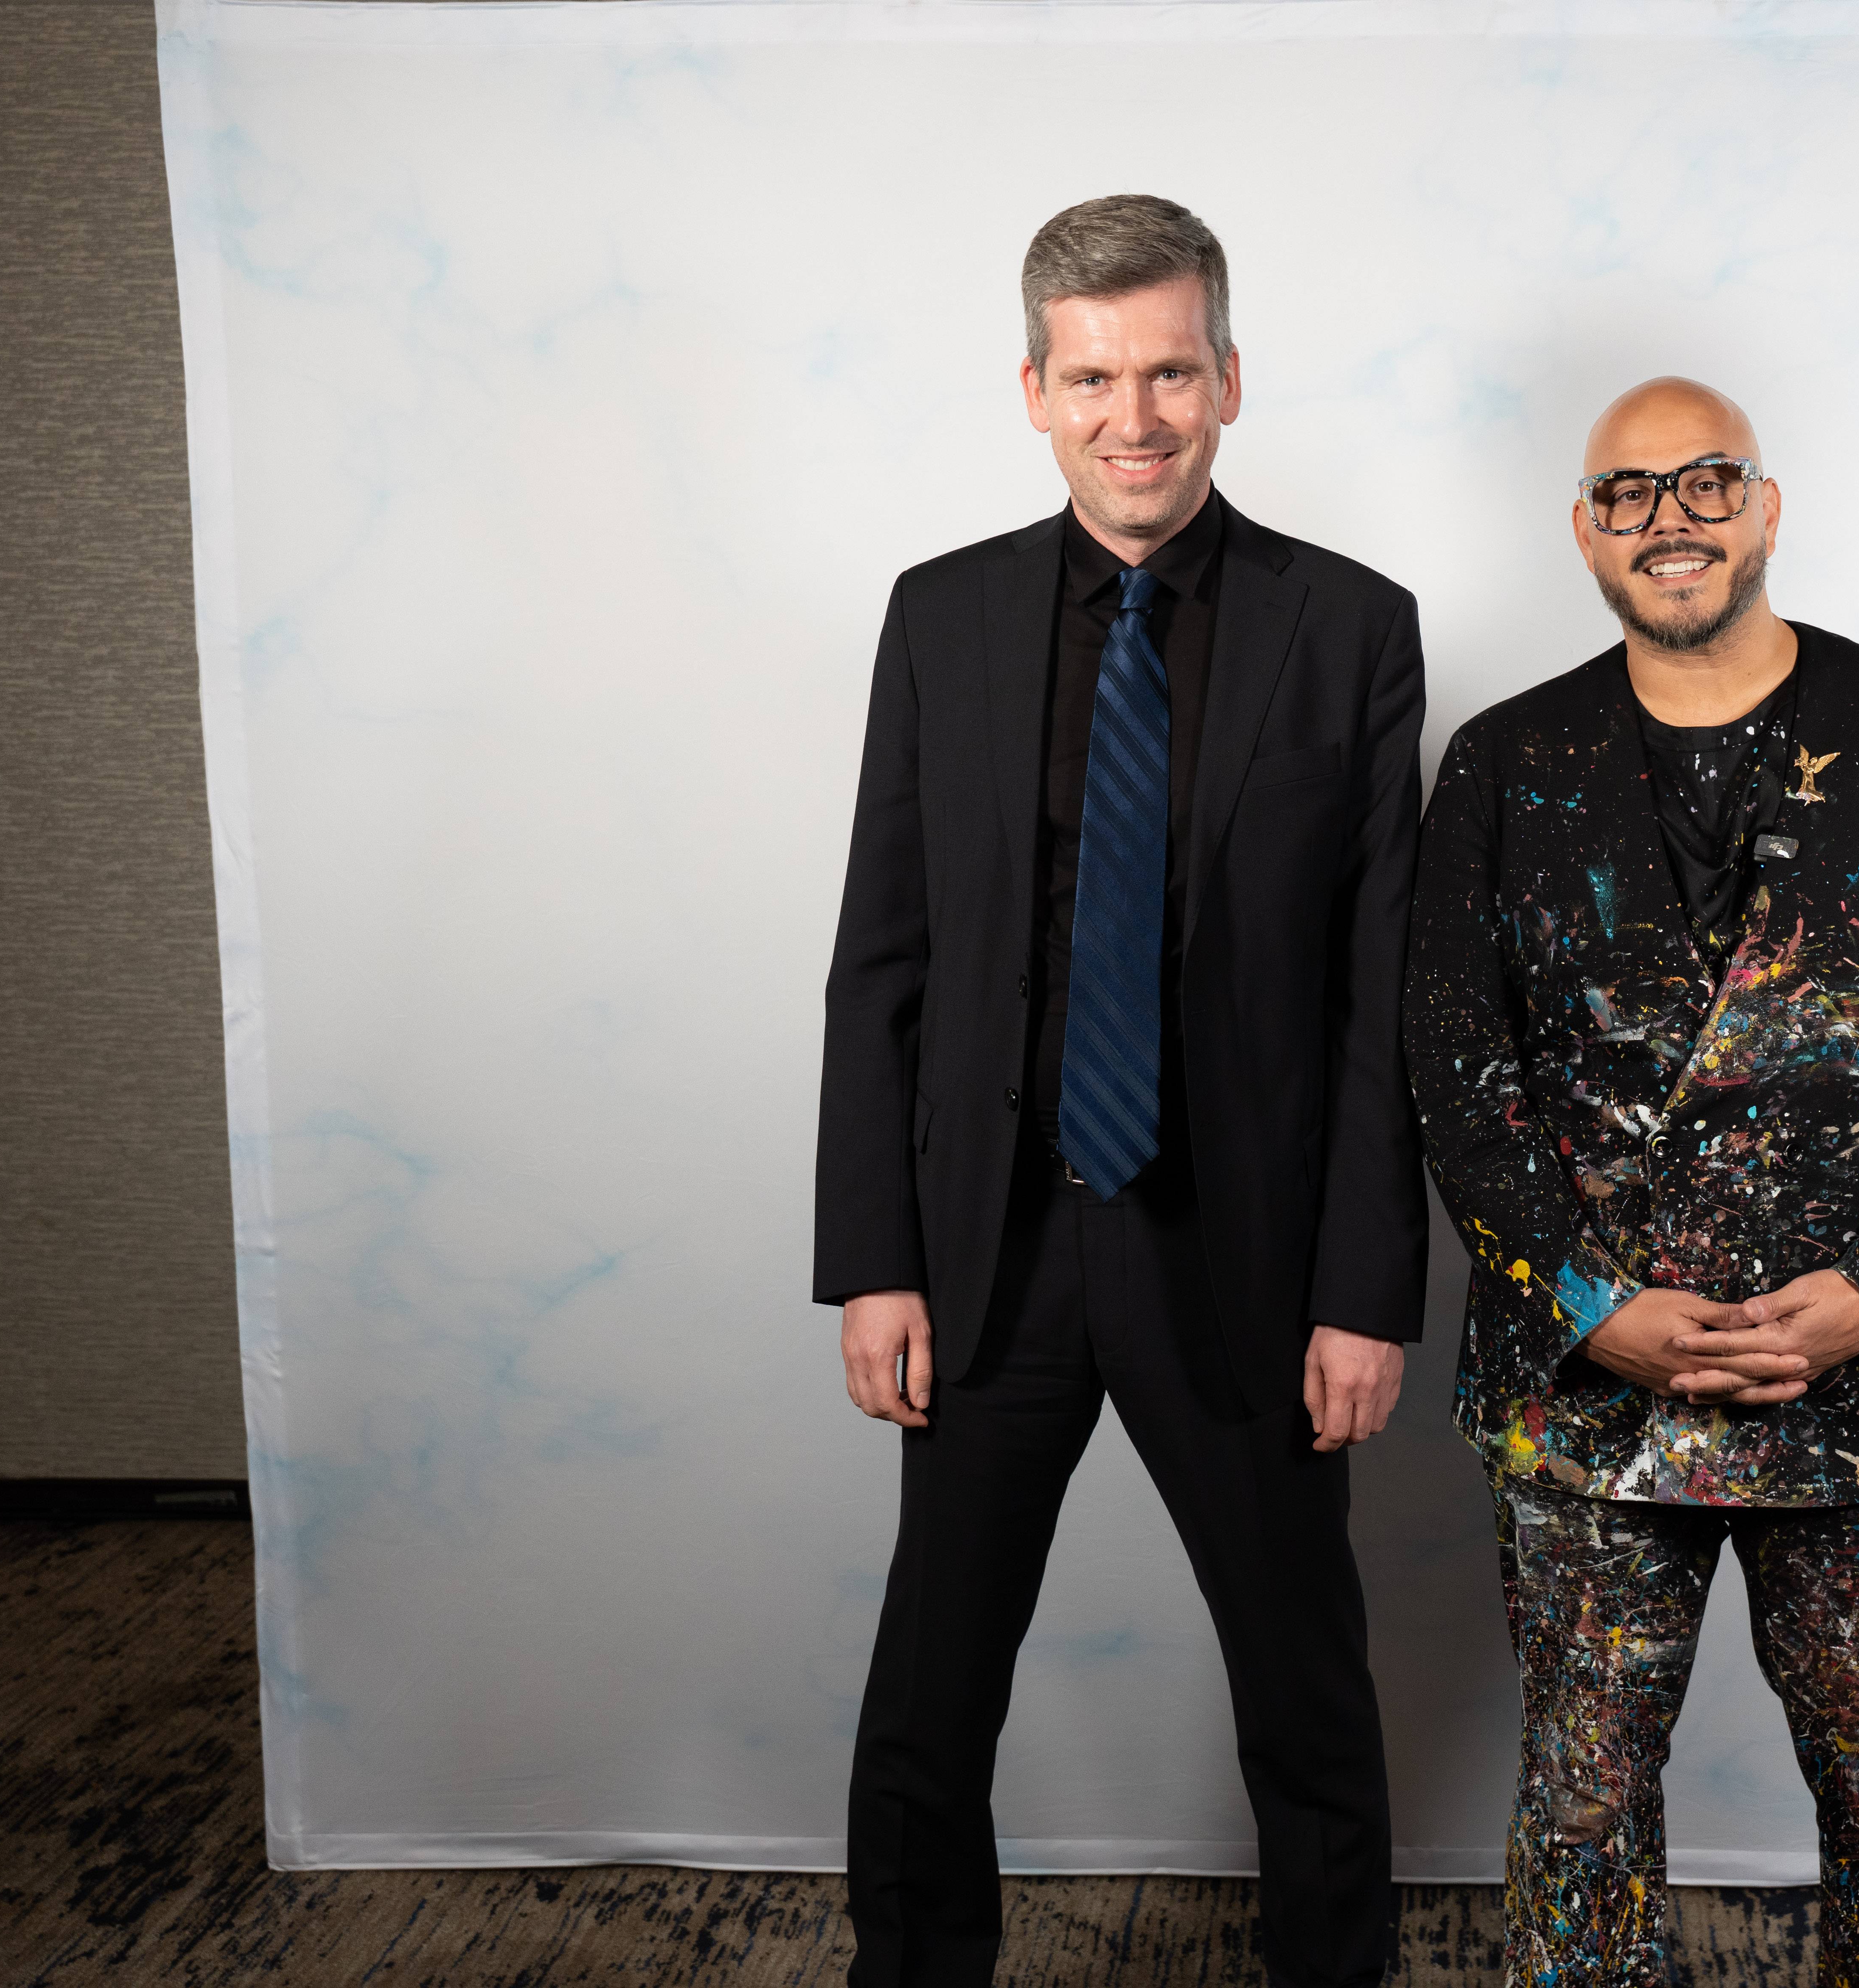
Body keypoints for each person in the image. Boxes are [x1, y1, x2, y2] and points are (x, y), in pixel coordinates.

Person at [814, 195, 1427, 1988]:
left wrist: (1365, 1289)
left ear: (1229, 378)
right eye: (1093, 378)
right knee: (929, 1702)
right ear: (1035, 390)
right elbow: (882, 961)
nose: (1133, 416)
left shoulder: (1351, 629)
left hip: (1243, 1262)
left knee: (1306, 1693)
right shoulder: (942, 617)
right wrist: (874, 1259)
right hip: (988, 1250)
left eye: (1169, 372)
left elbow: (1380, 1001)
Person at [1405, 377, 1859, 1986]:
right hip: (1591, 1397)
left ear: (1766, 509)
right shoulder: (1506, 762)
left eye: (1706, 482)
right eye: (1628, 494)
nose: (1669, 520)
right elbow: (1454, 1075)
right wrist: (1588, 1302)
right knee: (1581, 1819)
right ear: (1586, 534)